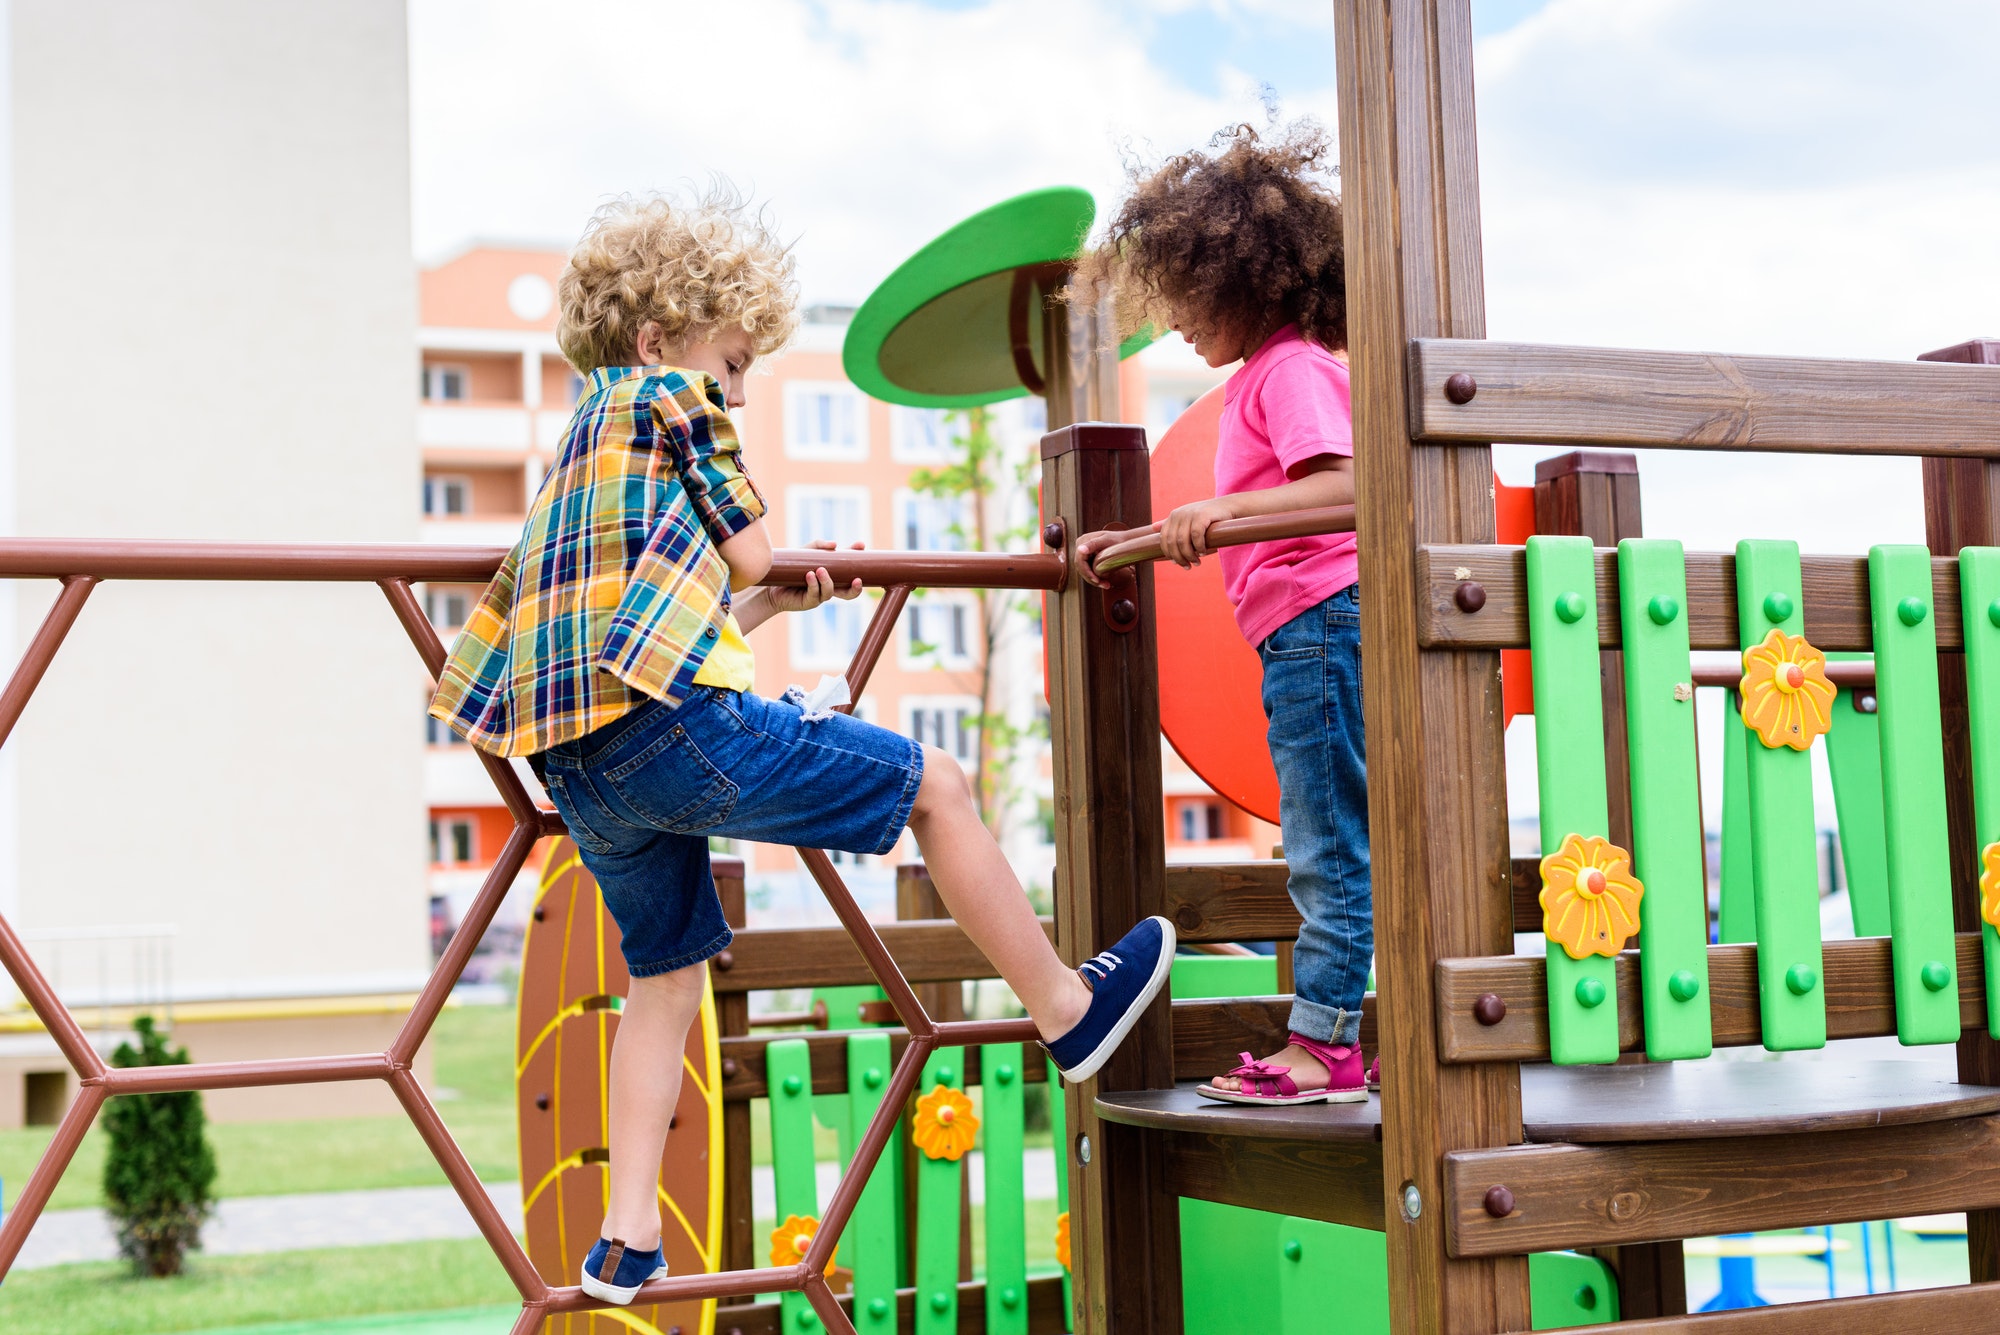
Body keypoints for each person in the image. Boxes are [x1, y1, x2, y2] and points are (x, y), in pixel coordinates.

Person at [429, 189, 1173, 1306]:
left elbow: (673, 623)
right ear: (657, 341)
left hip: (583, 766)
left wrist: (776, 600)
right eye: (733, 364)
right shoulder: (666, 398)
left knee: (663, 981)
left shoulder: (575, 462)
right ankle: (1067, 1012)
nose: (736, 390)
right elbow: (749, 549)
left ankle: (625, 1239)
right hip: (670, 733)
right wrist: (784, 562)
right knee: (939, 783)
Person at [1075, 121, 1372, 1107]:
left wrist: (1226, 510)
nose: (1172, 320)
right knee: (1327, 836)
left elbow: (1348, 489)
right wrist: (1130, 544)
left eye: (1183, 295)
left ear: (1245, 278)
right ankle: (1335, 1033)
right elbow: (1238, 521)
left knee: (1325, 841)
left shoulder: (1289, 368)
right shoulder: (1267, 376)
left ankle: (1324, 1046)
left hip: (1323, 630)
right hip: (1310, 635)